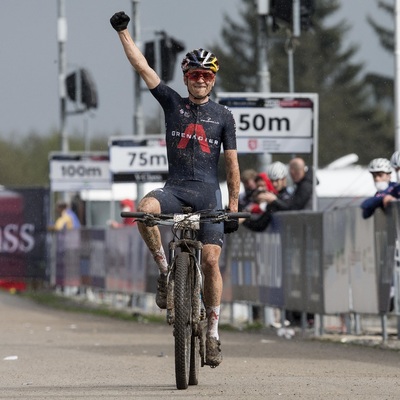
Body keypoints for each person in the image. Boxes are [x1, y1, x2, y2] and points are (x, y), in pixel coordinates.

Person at [110, 11, 240, 367]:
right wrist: (122, 32)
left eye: (206, 76)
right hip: (176, 189)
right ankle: (166, 271)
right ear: (185, 78)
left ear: (213, 80)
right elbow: (143, 67)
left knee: (212, 261)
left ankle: (212, 332)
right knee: (145, 209)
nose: (200, 81)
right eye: (195, 75)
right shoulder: (172, 103)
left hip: (208, 196)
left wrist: (233, 204)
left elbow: (231, 164)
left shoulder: (224, 116)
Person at [242, 162, 291, 232]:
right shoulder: (272, 200)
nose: (274, 184)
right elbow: (259, 225)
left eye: (277, 180)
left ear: (284, 179)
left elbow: (291, 209)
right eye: (272, 180)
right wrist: (243, 218)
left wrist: (275, 200)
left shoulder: (288, 196)